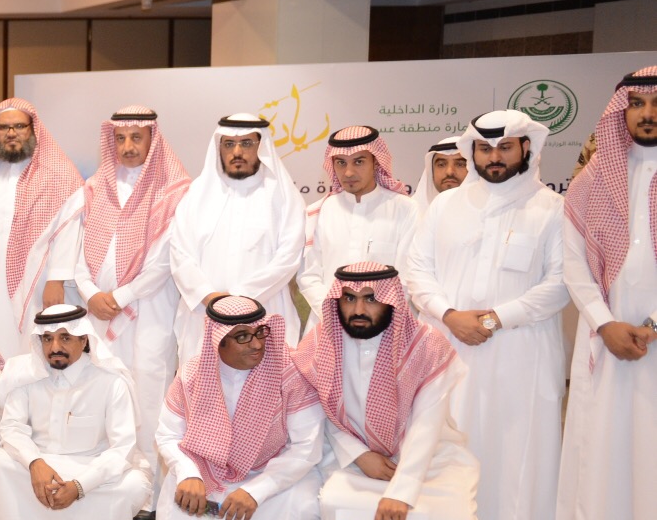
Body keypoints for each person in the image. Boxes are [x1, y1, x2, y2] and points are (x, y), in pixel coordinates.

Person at [403, 109, 567, 520]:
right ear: (472, 151)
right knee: (445, 446)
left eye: (505, 148)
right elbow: (417, 270)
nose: (494, 157)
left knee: (517, 452)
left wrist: (497, 318)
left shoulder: (551, 209)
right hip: (448, 345)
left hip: (521, 352)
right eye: (485, 148)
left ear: (526, 149)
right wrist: (450, 314)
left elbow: (562, 283)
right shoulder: (446, 206)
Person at [293, 263, 478, 520]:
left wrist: (401, 492)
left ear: (391, 300)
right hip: (348, 455)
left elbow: (427, 425)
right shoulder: (319, 343)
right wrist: (359, 454)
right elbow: (319, 411)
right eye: (349, 299)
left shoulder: (426, 345)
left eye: (370, 299)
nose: (358, 309)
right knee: (338, 504)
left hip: (423, 457)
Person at [555, 68, 657, 520]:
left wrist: (651, 326)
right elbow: (573, 264)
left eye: (656, 103)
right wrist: (605, 322)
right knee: (598, 453)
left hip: (651, 339)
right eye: (636, 103)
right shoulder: (593, 180)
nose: (648, 113)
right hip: (604, 339)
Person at [152, 294, 324, 520]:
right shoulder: (192, 374)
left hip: (273, 471)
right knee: (179, 488)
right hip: (209, 468)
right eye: (242, 337)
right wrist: (189, 474)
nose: (257, 344)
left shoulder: (289, 372)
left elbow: (306, 447)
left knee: (300, 503)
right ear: (218, 342)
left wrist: (257, 490)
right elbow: (168, 434)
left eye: (260, 332)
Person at [73, 106, 190, 520]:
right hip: (99, 313)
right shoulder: (95, 187)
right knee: (103, 395)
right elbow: (77, 249)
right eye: (120, 138)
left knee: (148, 396)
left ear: (152, 140)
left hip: (150, 312)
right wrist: (90, 293)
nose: (127, 146)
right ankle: (106, 483)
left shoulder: (174, 191)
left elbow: (164, 260)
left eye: (136, 137)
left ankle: (148, 493)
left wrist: (120, 295)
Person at [0, 304, 149, 520]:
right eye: (47, 339)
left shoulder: (110, 381)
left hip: (90, 466)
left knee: (135, 484)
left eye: (65, 338)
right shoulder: (26, 376)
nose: (54, 347)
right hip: (40, 467)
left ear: (84, 340)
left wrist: (80, 486)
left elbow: (122, 448)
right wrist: (35, 463)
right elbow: (11, 428)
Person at [0, 98, 85, 355]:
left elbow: (68, 231)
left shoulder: (58, 175)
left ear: (33, 129)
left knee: (31, 350)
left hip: (37, 285)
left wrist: (56, 279)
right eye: (3, 127)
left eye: (19, 126)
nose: (11, 133)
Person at [169, 113, 305, 357]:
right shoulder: (197, 195)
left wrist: (238, 299)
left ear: (261, 146)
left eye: (246, 143)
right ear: (219, 147)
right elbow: (180, 254)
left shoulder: (283, 195)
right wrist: (209, 296)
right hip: (204, 313)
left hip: (264, 312)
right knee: (204, 379)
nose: (237, 151)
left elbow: (288, 257)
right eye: (229, 144)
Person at [297, 126, 418, 314]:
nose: (348, 173)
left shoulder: (405, 209)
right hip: (327, 318)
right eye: (341, 163)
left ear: (376, 162)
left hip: (387, 320)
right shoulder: (319, 211)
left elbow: (408, 276)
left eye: (359, 162)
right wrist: (334, 315)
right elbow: (308, 276)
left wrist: (376, 317)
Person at [414, 138, 469, 224]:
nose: (449, 172)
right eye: (441, 165)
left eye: (460, 164)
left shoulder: (487, 210)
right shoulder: (413, 215)